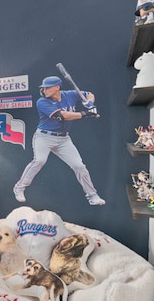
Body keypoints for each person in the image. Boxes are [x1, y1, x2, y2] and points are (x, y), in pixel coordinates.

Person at [13, 76, 105, 206]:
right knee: (39, 160)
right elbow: (63, 116)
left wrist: (90, 103)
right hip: (44, 137)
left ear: (57, 87)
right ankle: (19, 187)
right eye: (43, 88)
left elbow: (89, 94)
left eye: (48, 88)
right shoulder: (42, 102)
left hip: (63, 139)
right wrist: (86, 113)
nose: (45, 90)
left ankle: (93, 196)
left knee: (79, 166)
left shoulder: (70, 95)